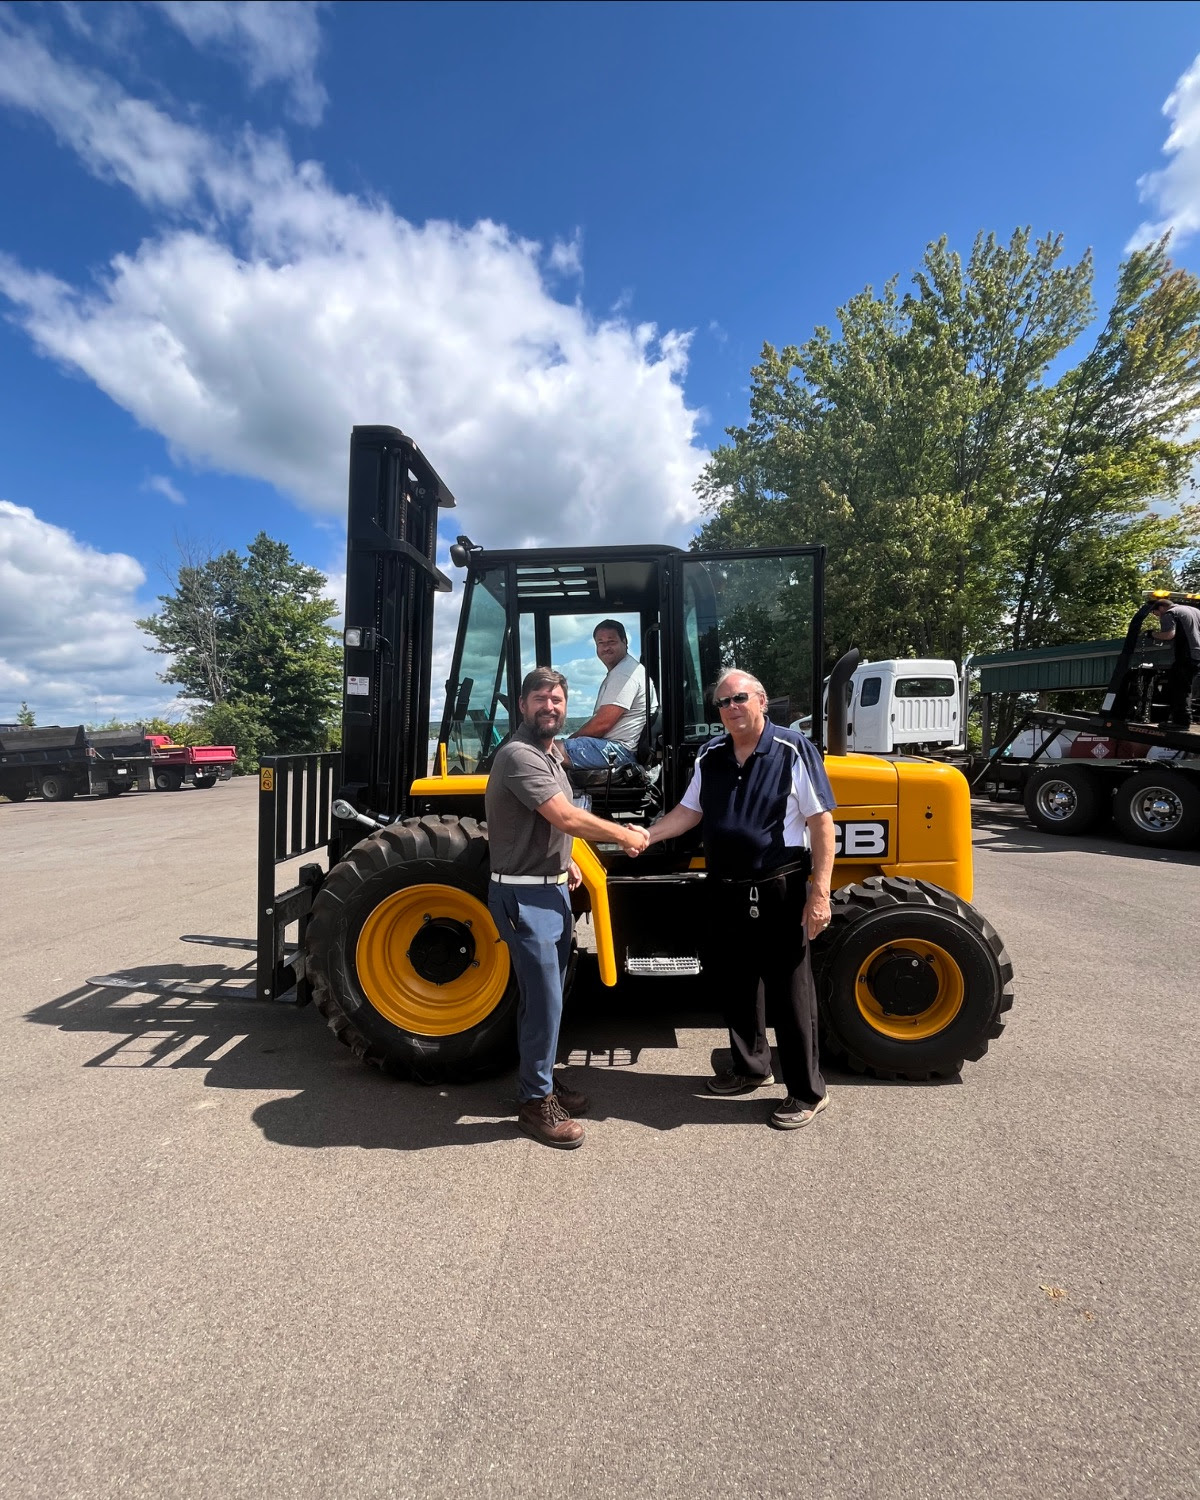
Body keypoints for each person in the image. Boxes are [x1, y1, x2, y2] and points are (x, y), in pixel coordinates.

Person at [645, 669, 837, 1130]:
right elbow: (690, 812)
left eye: (739, 699)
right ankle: (751, 1068)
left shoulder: (793, 748)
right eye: (723, 703)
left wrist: (819, 893)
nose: (731, 708)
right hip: (725, 886)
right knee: (737, 983)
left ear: (762, 701)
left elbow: (821, 823)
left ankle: (808, 1092)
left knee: (790, 993)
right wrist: (647, 836)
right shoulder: (711, 754)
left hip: (780, 885)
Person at [486, 666, 649, 1149]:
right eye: (540, 699)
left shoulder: (550, 752)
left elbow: (550, 824)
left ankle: (540, 1083)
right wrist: (624, 835)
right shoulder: (519, 755)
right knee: (544, 1001)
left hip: (549, 889)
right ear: (522, 705)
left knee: (547, 999)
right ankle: (535, 1105)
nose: (550, 706)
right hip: (525, 897)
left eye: (557, 699)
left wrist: (568, 863)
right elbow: (565, 815)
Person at [563, 619, 649, 771]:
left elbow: (602, 724)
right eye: (600, 643)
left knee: (543, 750)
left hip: (619, 751)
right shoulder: (622, 671)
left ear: (625, 642)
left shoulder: (625, 673)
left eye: (611, 641)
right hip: (615, 749)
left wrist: (570, 740)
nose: (606, 647)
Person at [1149, 597, 1200, 728]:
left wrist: (1152, 634)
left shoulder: (1170, 613)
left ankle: (1181, 722)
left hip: (1187, 654)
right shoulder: (1195, 611)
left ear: (1161, 608)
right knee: (1191, 687)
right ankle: (1192, 717)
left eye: (1156, 614)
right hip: (1198, 654)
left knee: (1180, 687)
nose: (1158, 617)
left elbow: (1169, 634)